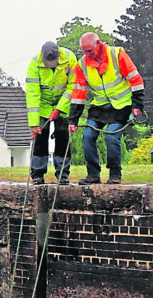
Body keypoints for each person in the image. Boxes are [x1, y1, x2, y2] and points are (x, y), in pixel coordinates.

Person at [68, 32, 145, 185]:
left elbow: (135, 79)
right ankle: (93, 175)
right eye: (84, 52)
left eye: (90, 50)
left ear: (98, 44)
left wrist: (137, 105)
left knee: (111, 137)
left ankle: (115, 175)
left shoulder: (118, 55)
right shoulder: (82, 65)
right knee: (88, 136)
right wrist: (73, 120)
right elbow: (79, 93)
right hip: (99, 107)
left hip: (121, 106)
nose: (87, 54)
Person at [26, 40, 77, 185]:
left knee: (62, 134)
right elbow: (32, 94)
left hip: (64, 101)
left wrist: (59, 109)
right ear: (42, 56)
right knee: (41, 136)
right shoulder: (34, 64)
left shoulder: (70, 58)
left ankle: (63, 173)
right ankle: (37, 174)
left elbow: (73, 85)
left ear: (59, 54)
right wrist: (34, 124)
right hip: (43, 103)